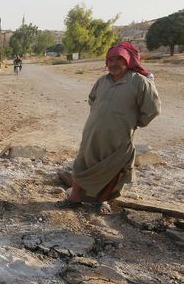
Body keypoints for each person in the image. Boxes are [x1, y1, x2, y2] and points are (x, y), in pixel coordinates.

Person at [57, 42, 161, 214]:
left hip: (119, 137)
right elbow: (92, 99)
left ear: (127, 60)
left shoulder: (140, 83)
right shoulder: (102, 80)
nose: (113, 63)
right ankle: (74, 199)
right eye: (110, 60)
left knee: (112, 168)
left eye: (118, 59)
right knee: (82, 164)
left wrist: (132, 122)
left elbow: (152, 110)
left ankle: (101, 201)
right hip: (93, 133)